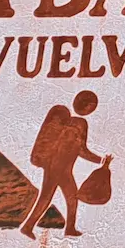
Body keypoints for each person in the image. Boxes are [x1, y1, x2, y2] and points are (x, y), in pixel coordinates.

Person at [20, 89, 109, 238]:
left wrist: (100, 160)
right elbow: (82, 150)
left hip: (60, 168)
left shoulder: (67, 121)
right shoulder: (80, 124)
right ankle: (29, 227)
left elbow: (78, 149)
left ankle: (67, 228)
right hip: (58, 168)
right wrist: (100, 160)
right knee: (49, 197)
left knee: (69, 197)